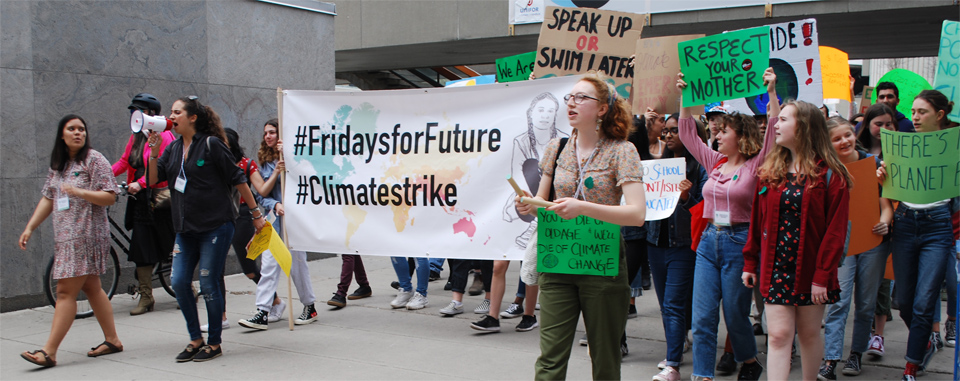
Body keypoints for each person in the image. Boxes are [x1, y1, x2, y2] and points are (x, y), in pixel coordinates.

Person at [515, 71, 646, 380]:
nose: (571, 104)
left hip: (602, 262)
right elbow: (541, 204)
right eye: (569, 98)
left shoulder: (622, 150)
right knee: (550, 359)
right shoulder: (556, 148)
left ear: (602, 108)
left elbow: (637, 214)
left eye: (581, 98)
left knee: (604, 359)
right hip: (559, 258)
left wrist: (582, 207)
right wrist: (528, 205)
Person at [676, 69, 778, 381]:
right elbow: (686, 134)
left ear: (741, 136)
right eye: (716, 131)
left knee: (735, 316)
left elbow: (773, 127)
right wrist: (685, 97)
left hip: (740, 243)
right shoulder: (714, 162)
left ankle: (749, 360)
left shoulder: (756, 164)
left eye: (723, 132)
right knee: (703, 318)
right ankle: (702, 376)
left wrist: (771, 91)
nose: (716, 135)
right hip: (708, 241)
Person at [146, 96, 264, 362]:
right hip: (185, 229)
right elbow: (153, 179)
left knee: (209, 282)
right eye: (171, 112)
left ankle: (214, 342)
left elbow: (238, 178)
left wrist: (256, 214)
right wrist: (153, 153)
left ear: (192, 117)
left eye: (177, 112)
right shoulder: (173, 149)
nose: (171, 116)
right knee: (179, 282)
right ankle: (195, 339)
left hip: (216, 226)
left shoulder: (211, 145)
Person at [743, 100, 852, 381]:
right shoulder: (770, 171)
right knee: (778, 335)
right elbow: (758, 221)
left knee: (808, 334)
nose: (775, 125)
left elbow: (836, 232)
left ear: (803, 127)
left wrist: (823, 275)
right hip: (776, 268)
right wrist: (750, 260)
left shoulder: (831, 175)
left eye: (783, 120)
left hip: (810, 271)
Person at [18, 115, 123, 368]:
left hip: (86, 235)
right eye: (72, 129)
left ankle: (49, 352)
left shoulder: (94, 159)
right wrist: (30, 227)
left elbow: (110, 197)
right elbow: (49, 198)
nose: (78, 133)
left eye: (82, 129)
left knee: (65, 292)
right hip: (66, 238)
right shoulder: (59, 165)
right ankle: (113, 340)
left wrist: (80, 192)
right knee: (91, 288)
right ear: (62, 135)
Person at [878, 89, 959, 381]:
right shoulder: (902, 145)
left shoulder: (955, 147)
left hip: (937, 227)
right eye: (912, 112)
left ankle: (911, 365)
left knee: (925, 301)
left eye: (921, 112)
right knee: (906, 304)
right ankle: (924, 340)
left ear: (939, 115)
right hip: (905, 224)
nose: (914, 117)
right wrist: (883, 175)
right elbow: (889, 186)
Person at [818, 117, 893, 380]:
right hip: (842, 244)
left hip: (873, 242)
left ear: (855, 134)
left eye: (847, 135)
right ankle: (830, 359)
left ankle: (856, 354)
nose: (844, 141)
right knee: (838, 302)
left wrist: (884, 223)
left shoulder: (873, 164)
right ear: (827, 143)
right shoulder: (826, 169)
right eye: (837, 138)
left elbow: (886, 204)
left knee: (865, 304)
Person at [238, 118, 319, 330]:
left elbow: (306, 180)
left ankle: (309, 306)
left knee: (297, 264)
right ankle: (263, 311)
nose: (268, 136)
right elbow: (262, 195)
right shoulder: (265, 161)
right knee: (269, 265)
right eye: (266, 133)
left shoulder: (295, 155)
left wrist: (289, 157)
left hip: (295, 220)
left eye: (272, 132)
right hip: (274, 221)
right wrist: (275, 204)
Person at [649, 114, 708, 381]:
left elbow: (705, 210)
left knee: (673, 303)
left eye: (675, 130)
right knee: (667, 304)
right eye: (666, 132)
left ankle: (672, 363)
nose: (669, 135)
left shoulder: (702, 168)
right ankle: (678, 343)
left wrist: (687, 197)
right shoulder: (657, 165)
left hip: (683, 244)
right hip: (656, 242)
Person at [112, 93, 176, 316]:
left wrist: (140, 183)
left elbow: (163, 167)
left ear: (150, 113)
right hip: (140, 201)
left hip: (158, 199)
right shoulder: (136, 136)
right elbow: (124, 161)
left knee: (170, 245)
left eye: (137, 111)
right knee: (141, 247)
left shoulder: (165, 135)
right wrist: (103, 176)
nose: (133, 115)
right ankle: (147, 296)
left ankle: (185, 287)